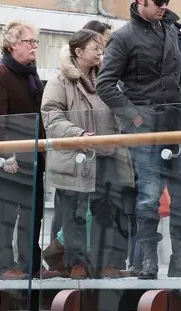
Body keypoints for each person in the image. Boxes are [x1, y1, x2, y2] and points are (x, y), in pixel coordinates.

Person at [97, 0, 181, 280]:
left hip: (174, 122)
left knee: (179, 196)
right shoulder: (123, 37)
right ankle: (148, 262)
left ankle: (179, 261)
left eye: (167, 1)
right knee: (148, 195)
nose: (163, 5)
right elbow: (105, 84)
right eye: (158, 1)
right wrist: (134, 117)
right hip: (146, 125)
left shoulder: (172, 29)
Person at [41, 29, 135, 279]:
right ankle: (76, 263)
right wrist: (79, 135)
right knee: (75, 213)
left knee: (105, 211)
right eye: (96, 48)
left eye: (102, 47)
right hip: (77, 158)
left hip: (106, 156)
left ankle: (101, 262)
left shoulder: (107, 80)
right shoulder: (60, 81)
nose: (101, 52)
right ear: (78, 52)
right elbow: (51, 117)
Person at [0, 21, 59, 280]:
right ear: (13, 44)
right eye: (30, 42)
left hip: (33, 156)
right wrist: (4, 154)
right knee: (5, 215)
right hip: (11, 158)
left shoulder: (30, 73)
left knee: (33, 214)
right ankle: (4, 266)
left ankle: (30, 265)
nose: (34, 46)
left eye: (35, 42)